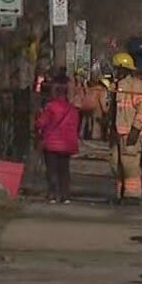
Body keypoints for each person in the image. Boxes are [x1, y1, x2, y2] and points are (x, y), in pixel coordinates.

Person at [109, 51, 142, 205]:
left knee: (130, 166)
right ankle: (121, 194)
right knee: (116, 164)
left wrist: (135, 130)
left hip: (131, 134)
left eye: (118, 69)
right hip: (116, 133)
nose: (116, 72)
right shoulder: (115, 86)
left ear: (125, 69)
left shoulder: (136, 86)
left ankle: (133, 195)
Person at [35, 74, 81, 203]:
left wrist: (37, 121)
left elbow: (41, 123)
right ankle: (65, 195)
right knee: (64, 170)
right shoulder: (72, 109)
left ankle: (53, 194)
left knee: (52, 170)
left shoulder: (51, 106)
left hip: (52, 143)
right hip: (67, 144)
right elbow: (75, 126)